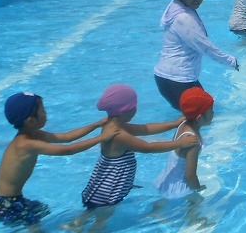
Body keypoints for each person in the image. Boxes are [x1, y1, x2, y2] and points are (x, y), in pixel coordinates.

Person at [0, 92, 106, 226]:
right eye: (43, 111)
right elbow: (67, 150)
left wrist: (97, 124)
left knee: (41, 210)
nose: (46, 113)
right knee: (33, 223)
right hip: (5, 203)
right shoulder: (26, 144)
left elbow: (66, 137)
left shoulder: (34, 134)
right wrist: (101, 138)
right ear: (31, 120)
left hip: (14, 199)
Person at [79, 83, 188, 211]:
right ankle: (88, 230)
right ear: (127, 110)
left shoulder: (114, 125)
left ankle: (78, 224)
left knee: (94, 211)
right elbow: (148, 147)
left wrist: (173, 124)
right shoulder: (119, 134)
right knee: (102, 216)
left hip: (106, 183)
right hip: (108, 189)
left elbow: (145, 129)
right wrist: (180, 143)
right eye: (134, 106)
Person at [153, 0, 239, 111]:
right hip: (176, 79)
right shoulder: (183, 18)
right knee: (200, 116)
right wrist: (230, 61)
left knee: (205, 111)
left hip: (175, 77)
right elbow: (204, 46)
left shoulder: (177, 6)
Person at [154, 86, 214, 199]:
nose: (213, 114)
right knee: (196, 208)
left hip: (167, 178)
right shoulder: (193, 142)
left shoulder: (182, 124)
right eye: (211, 111)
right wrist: (199, 189)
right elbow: (190, 176)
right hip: (179, 187)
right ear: (199, 118)